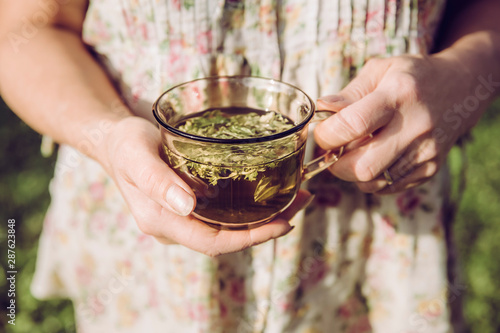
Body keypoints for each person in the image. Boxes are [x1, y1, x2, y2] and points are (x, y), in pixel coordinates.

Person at [1, 0, 499, 332]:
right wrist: (107, 136)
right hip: (148, 230)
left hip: (376, 228)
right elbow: (23, 27)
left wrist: (469, 69)